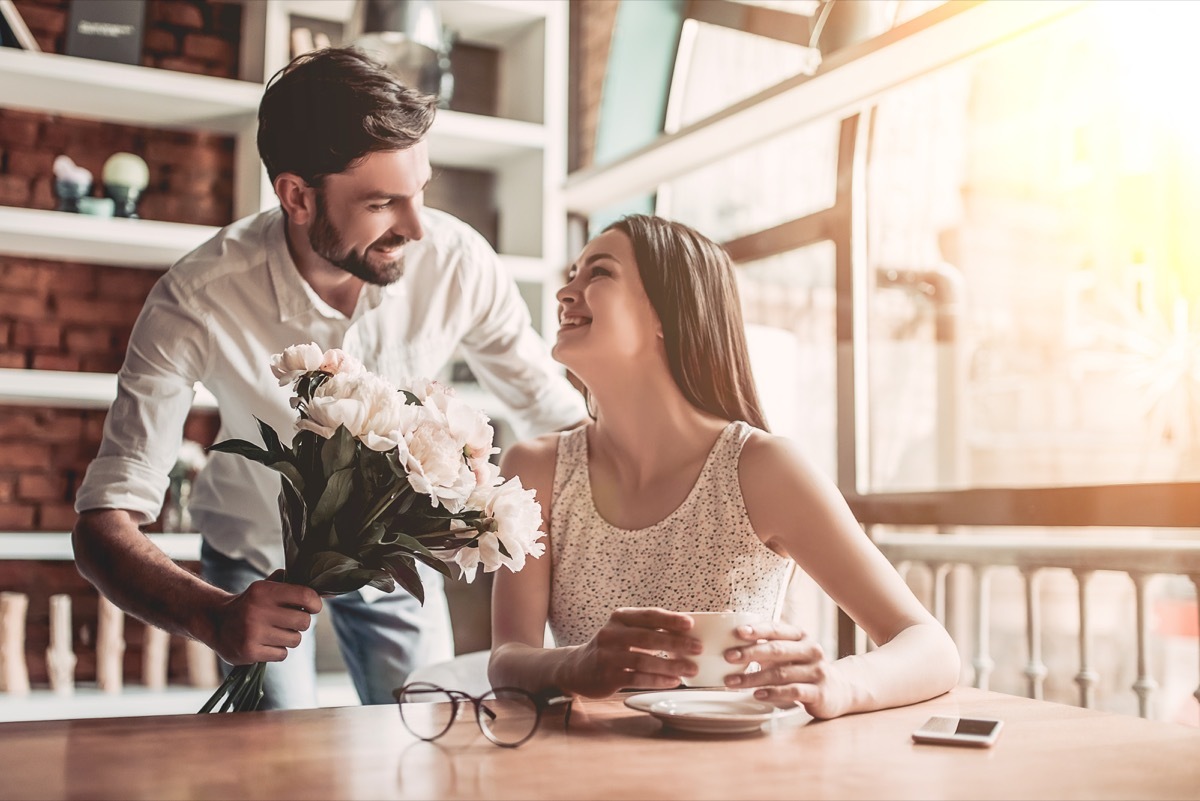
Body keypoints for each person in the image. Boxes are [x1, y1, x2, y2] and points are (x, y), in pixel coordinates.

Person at [71, 47, 586, 710]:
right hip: (254, 558)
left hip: (394, 559)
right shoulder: (196, 297)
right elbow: (102, 522)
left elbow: (551, 409)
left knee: (424, 743)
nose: (417, 225)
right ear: (297, 196)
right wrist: (214, 616)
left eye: (420, 190)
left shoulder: (457, 262)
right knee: (274, 767)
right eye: (382, 203)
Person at [488, 215, 960, 718]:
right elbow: (507, 659)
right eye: (572, 273)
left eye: (598, 273)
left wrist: (840, 684)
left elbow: (931, 646)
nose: (566, 291)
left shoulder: (762, 468)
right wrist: (575, 666)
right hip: (584, 777)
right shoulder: (535, 468)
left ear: (669, 313)